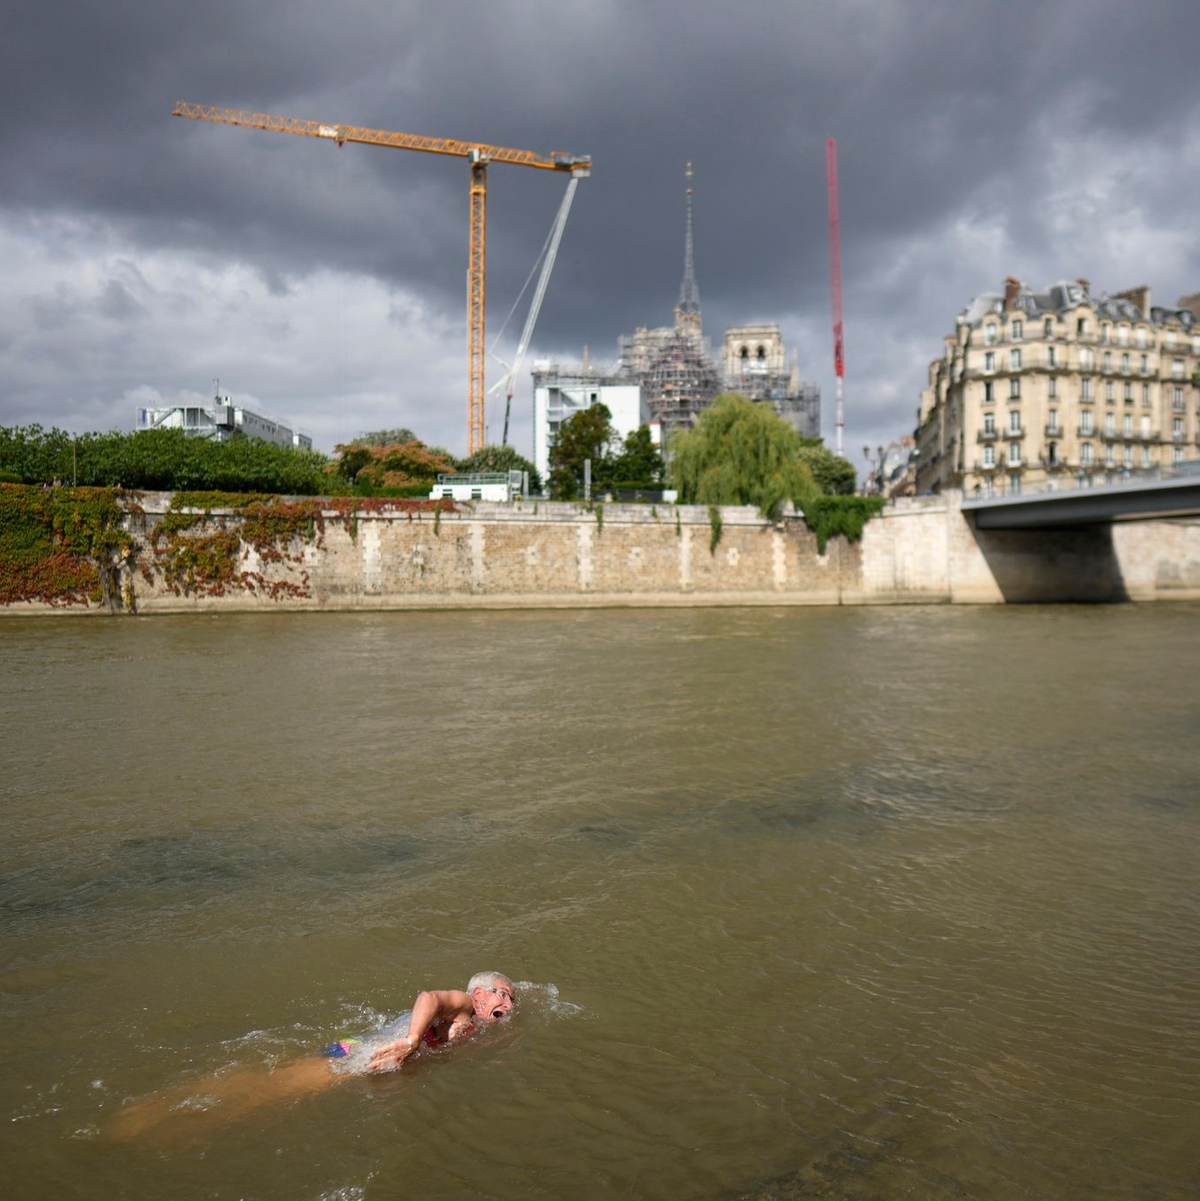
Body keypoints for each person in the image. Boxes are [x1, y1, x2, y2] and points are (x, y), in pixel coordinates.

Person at [111, 971, 516, 1141]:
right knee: (272, 1091)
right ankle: (152, 1118)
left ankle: (166, 1114)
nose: (507, 1002)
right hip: (358, 1049)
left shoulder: (475, 1023)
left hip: (356, 1043)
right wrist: (411, 1042)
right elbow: (426, 997)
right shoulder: (464, 1002)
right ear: (479, 993)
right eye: (501, 992)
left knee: (273, 1084)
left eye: (511, 998)